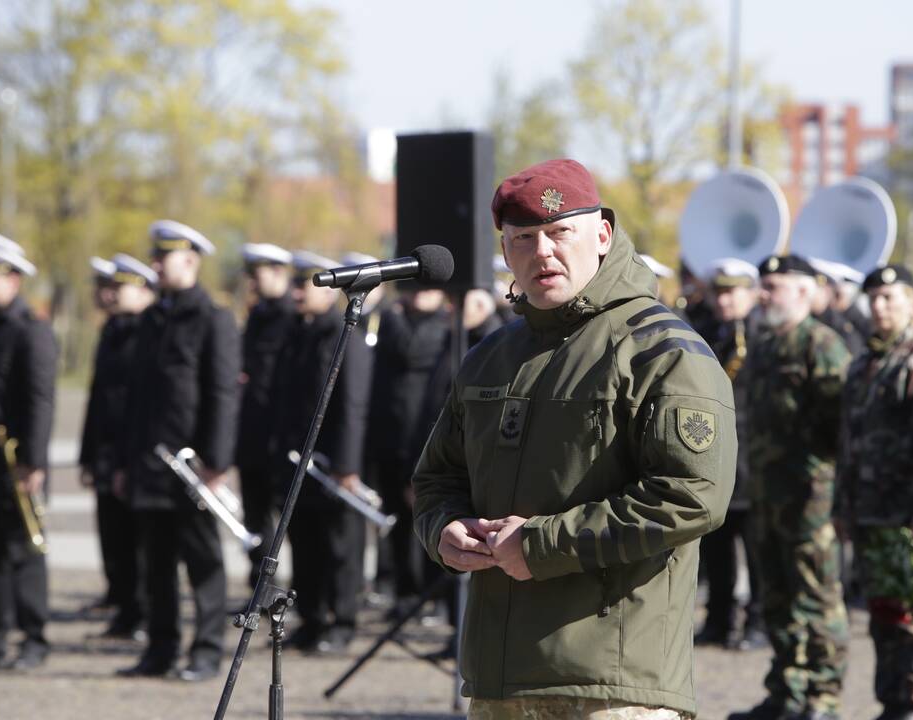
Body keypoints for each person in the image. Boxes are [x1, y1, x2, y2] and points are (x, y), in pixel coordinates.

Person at [413, 158, 736, 718]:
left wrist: (542, 545)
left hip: (614, 684)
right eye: (523, 239)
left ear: (603, 235)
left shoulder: (661, 350)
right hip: (498, 681)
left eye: (560, 232)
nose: (542, 252)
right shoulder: (488, 359)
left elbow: (692, 496)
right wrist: (444, 530)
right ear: (505, 249)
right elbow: (437, 477)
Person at [118, 220, 240, 681]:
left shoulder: (213, 318)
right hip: (152, 463)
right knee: (156, 565)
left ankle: (206, 651)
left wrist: (217, 462)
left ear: (189, 260)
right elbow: (138, 399)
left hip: (195, 468)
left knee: (203, 562)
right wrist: (127, 461)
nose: (154, 264)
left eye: (162, 256)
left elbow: (223, 394)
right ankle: (160, 649)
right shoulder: (151, 318)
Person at [835, 265, 913, 720]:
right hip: (869, 509)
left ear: (910, 302)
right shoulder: (863, 365)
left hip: (909, 512)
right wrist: (842, 505)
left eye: (890, 297)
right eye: (875, 299)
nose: (881, 307)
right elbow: (847, 443)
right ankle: (892, 699)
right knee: (882, 610)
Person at [732, 254, 850, 720]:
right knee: (776, 594)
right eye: (762, 286)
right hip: (766, 493)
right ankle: (787, 689)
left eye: (773, 286)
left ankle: (823, 696)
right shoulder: (762, 346)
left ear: (803, 291)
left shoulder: (822, 345)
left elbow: (844, 428)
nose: (763, 295)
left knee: (816, 597)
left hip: (810, 498)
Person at [269, 250, 372, 653]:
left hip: (333, 462)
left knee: (340, 546)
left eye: (305, 284)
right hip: (298, 461)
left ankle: (342, 622)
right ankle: (311, 619)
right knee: (306, 544)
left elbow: (353, 406)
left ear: (331, 292)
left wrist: (348, 466)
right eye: (294, 284)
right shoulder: (296, 333)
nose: (297, 292)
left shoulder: (346, 333)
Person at [0, 237, 57, 670]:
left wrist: (34, 462)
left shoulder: (30, 328)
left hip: (17, 461)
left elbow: (40, 399)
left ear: (14, 279)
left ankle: (34, 638)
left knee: (24, 552)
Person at [79, 254, 158, 640]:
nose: (109, 295)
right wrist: (88, 454)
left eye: (118, 287)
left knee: (139, 541)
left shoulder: (148, 331)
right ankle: (126, 609)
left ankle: (141, 611)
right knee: (115, 537)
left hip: (134, 452)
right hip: (109, 450)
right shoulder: (114, 331)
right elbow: (99, 400)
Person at [367, 284, 453, 614]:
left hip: (423, 439)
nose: (417, 295)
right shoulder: (392, 321)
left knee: (430, 520)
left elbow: (412, 349)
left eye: (425, 291)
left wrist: (392, 316)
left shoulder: (440, 325)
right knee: (399, 524)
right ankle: (406, 594)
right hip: (392, 440)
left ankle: (433, 596)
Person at [696, 257, 767, 651]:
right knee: (717, 548)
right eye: (720, 292)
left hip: (754, 459)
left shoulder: (763, 335)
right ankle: (720, 621)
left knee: (757, 552)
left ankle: (757, 622)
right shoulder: (707, 332)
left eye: (733, 291)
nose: (725, 300)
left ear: (752, 293)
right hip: (719, 460)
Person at [235, 242, 294, 589]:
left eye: (257, 276)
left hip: (281, 434)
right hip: (254, 434)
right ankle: (261, 586)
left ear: (277, 272)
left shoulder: (291, 317)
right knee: (256, 518)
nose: (253, 284)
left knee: (288, 519)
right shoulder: (258, 315)